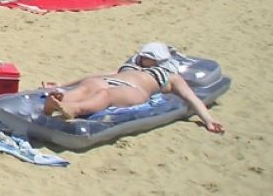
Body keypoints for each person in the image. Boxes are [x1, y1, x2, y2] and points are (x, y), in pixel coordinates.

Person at [41, 42, 224, 133]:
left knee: (106, 95)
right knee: (88, 86)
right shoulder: (131, 66)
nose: (142, 58)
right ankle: (59, 101)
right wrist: (62, 85)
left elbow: (191, 97)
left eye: (147, 57)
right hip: (112, 79)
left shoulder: (171, 77)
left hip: (134, 89)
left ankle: (73, 109)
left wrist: (208, 120)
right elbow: (95, 75)